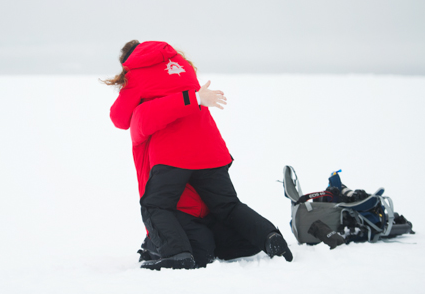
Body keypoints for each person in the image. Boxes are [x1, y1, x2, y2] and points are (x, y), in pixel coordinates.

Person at [105, 40, 293, 270]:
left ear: (128, 61)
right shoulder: (182, 65)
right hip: (210, 148)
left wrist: (134, 92)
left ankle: (177, 255)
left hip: (172, 153)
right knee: (228, 205)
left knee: (155, 206)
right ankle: (270, 237)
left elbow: (119, 118)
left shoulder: (136, 74)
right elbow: (188, 97)